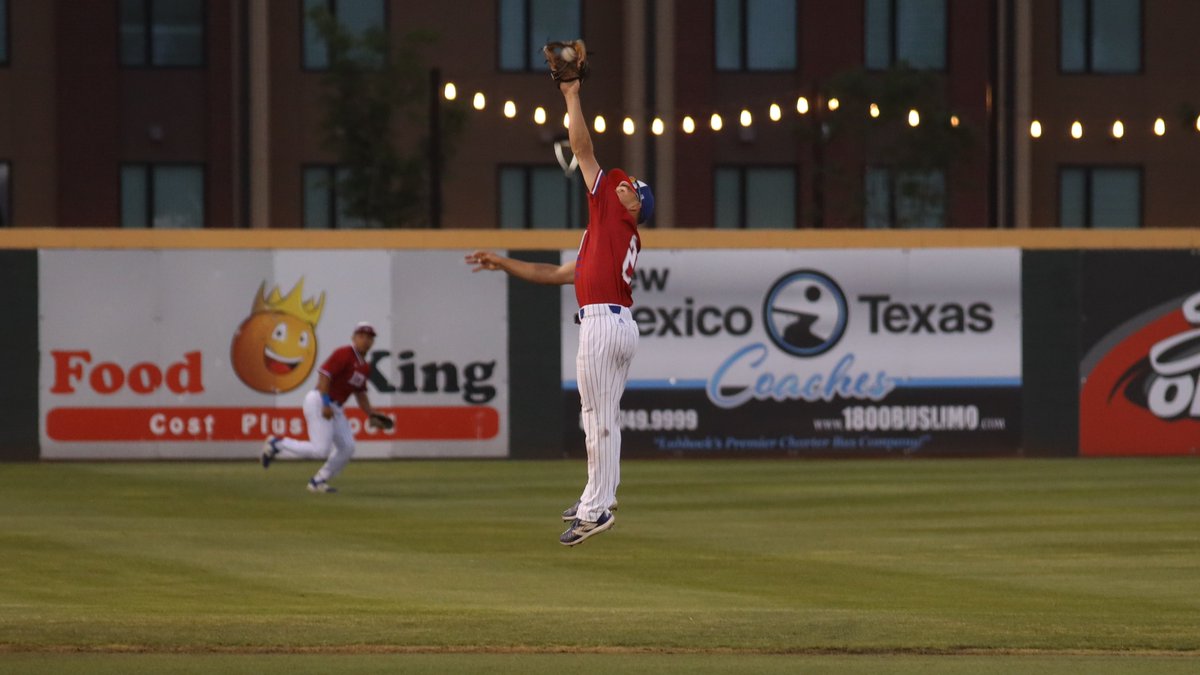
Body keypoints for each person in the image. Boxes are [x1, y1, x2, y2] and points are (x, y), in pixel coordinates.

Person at [466, 78, 654, 546]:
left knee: (598, 416)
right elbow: (549, 274)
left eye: (631, 189)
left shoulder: (615, 215)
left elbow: (583, 149)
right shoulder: (603, 238)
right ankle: (598, 495)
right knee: (597, 416)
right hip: (614, 320)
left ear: (634, 205)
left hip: (605, 323)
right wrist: (502, 262)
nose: (622, 185)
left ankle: (597, 508)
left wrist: (571, 94)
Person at [261, 321, 384, 493]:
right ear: (354, 338)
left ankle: (318, 481)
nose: (365, 340)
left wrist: (370, 413)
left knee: (347, 448)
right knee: (320, 450)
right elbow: (325, 375)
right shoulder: (344, 354)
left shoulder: (365, 366)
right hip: (320, 401)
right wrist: (325, 403)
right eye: (361, 336)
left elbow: (360, 393)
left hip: (336, 408)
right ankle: (277, 444)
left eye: (369, 337)